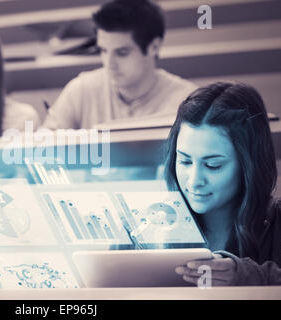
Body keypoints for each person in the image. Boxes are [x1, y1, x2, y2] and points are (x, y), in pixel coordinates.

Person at [163, 81, 281, 286]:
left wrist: (246, 276)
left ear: (249, 165)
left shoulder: (277, 225)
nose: (194, 181)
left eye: (213, 165)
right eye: (185, 161)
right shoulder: (154, 223)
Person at [41, 0, 197, 130]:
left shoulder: (186, 102)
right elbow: (42, 148)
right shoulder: (80, 90)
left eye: (122, 53)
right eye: (103, 50)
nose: (109, 64)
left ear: (154, 47)